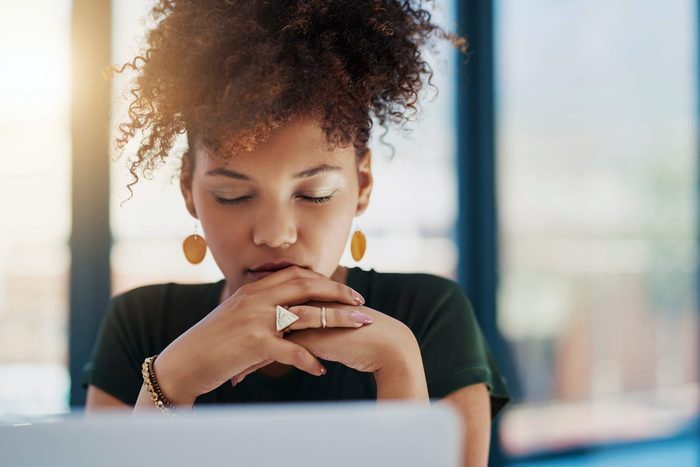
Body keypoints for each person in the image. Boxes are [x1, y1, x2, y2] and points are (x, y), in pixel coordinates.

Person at [82, 1, 511, 465]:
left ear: (362, 185)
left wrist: (400, 367)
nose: (275, 234)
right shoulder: (142, 327)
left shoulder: (428, 319)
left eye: (315, 193)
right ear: (188, 189)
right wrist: (169, 384)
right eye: (232, 195)